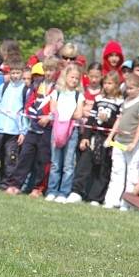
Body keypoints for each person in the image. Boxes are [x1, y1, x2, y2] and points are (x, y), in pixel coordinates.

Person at [67, 70, 122, 205]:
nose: (107, 86)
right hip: (94, 136)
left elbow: (117, 122)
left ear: (116, 84)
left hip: (107, 139)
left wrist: (108, 120)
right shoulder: (99, 99)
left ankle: (96, 197)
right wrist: (85, 137)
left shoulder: (120, 102)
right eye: (106, 83)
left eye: (110, 83)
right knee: (84, 164)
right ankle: (77, 192)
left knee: (103, 168)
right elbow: (91, 119)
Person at [5, 58, 58, 197]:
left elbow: (57, 110)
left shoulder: (57, 88)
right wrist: (35, 115)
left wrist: (48, 117)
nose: (48, 73)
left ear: (56, 72)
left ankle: (38, 188)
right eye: (46, 70)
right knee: (24, 157)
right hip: (33, 128)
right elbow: (29, 105)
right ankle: (16, 184)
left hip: (47, 130)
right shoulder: (37, 86)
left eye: (51, 70)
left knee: (43, 160)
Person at [103, 72, 139, 210]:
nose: (128, 91)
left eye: (131, 88)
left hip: (134, 144)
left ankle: (128, 203)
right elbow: (119, 120)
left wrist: (134, 143)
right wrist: (110, 136)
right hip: (119, 142)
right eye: (127, 88)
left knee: (132, 174)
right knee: (117, 171)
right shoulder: (126, 101)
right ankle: (112, 200)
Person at [45, 62, 84, 202]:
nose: (74, 80)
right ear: (65, 76)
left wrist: (65, 114)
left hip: (72, 131)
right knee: (55, 162)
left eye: (76, 78)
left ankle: (63, 192)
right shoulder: (57, 93)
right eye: (72, 77)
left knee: (68, 164)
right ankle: (52, 190)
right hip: (57, 130)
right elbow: (53, 110)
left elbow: (79, 114)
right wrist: (66, 114)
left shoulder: (78, 96)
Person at [0, 61, 27, 188]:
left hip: (14, 130)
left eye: (17, 73)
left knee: (11, 157)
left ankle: (6, 182)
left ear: (22, 73)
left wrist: (23, 131)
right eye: (12, 73)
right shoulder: (4, 87)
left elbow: (25, 112)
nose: (15, 75)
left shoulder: (25, 89)